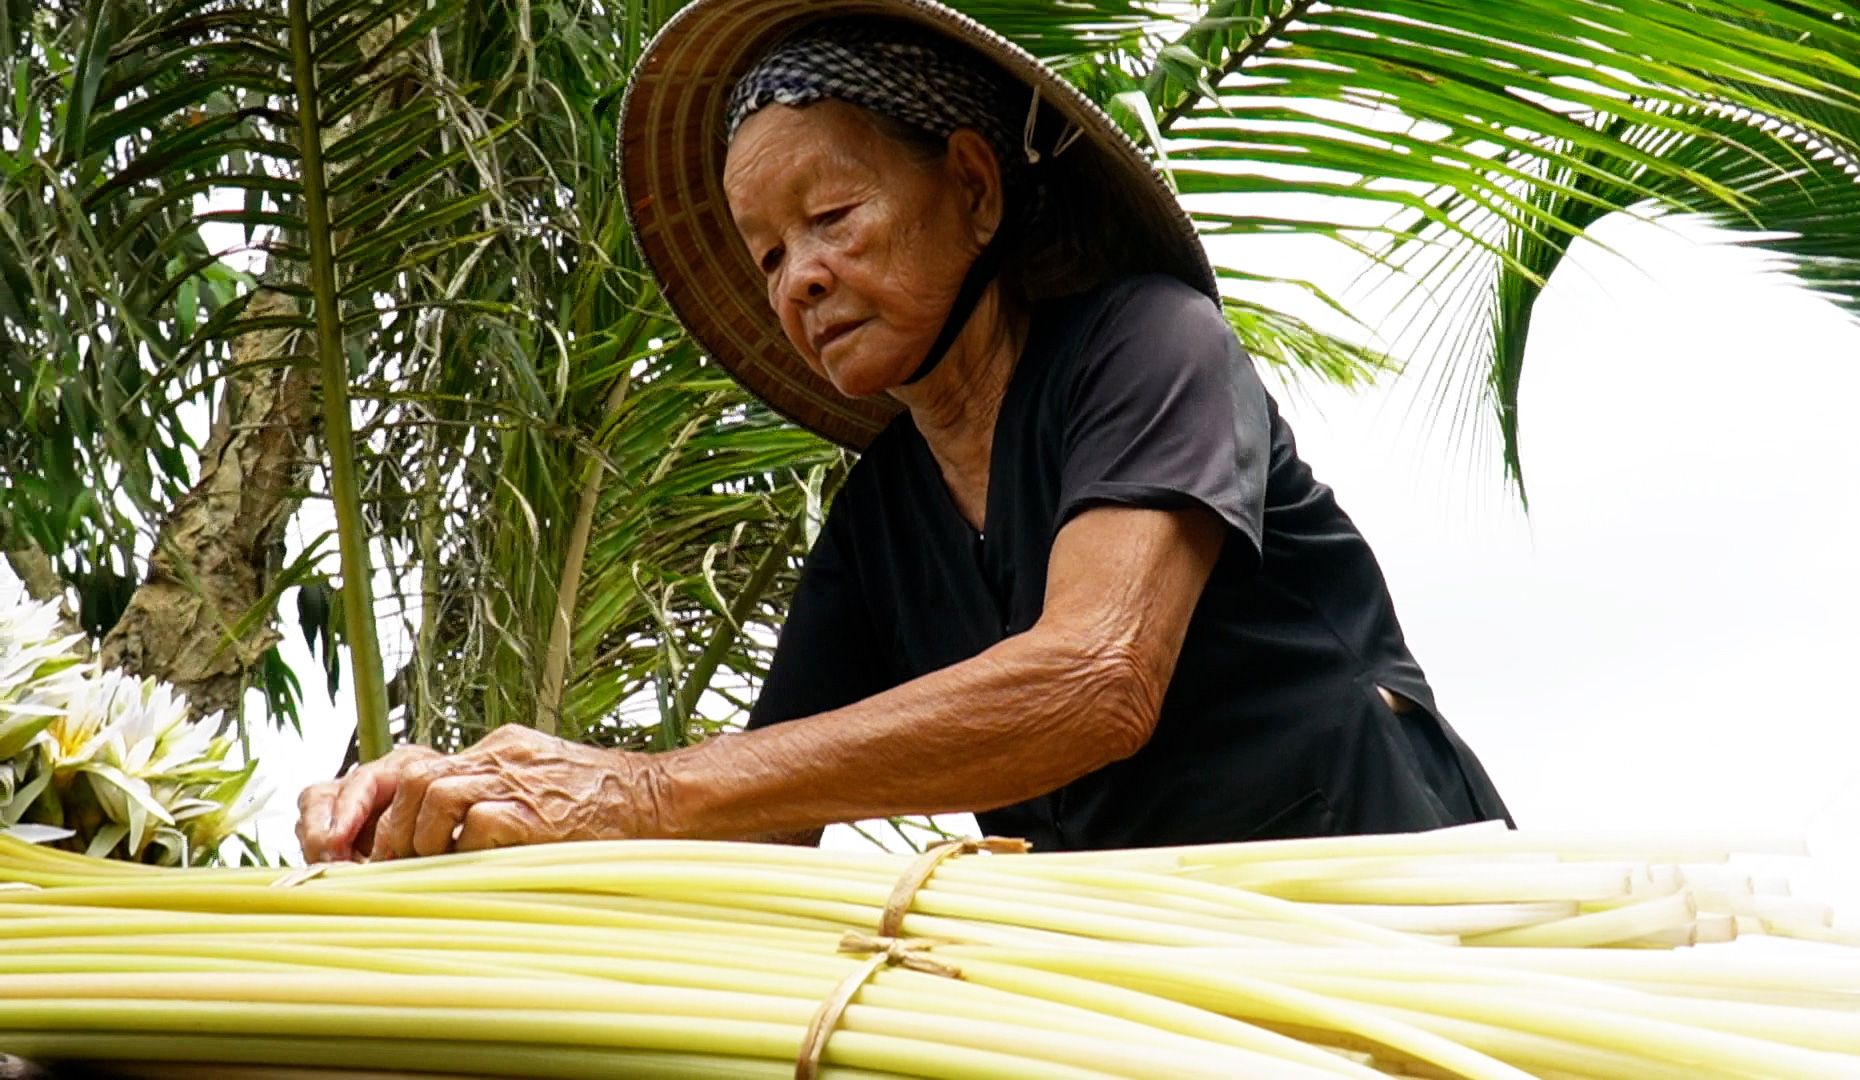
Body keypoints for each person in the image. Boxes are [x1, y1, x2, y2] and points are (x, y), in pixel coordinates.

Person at [296, 0, 1510, 863]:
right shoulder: (886, 511)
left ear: (975, 189)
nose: (796, 280)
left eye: (831, 216)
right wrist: (475, 809)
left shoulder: (1148, 344)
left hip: (1379, 893)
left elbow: (1095, 682)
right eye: (769, 252)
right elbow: (762, 814)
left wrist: (640, 789)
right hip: (1150, 988)